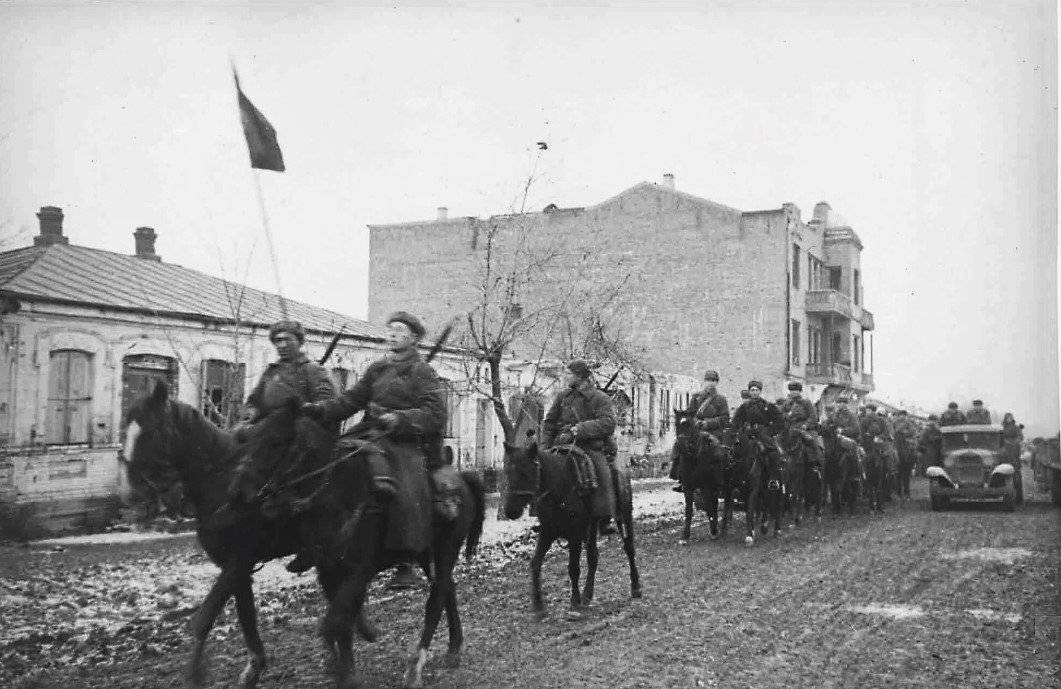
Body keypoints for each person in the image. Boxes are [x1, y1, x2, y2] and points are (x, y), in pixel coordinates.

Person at [302, 311, 449, 590]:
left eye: (400, 330)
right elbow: (351, 401)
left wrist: (401, 419)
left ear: (414, 338)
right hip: (371, 431)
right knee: (330, 465)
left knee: (403, 483)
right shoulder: (377, 369)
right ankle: (316, 541)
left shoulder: (423, 371)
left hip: (405, 439)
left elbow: (435, 412)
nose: (393, 334)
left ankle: (406, 558)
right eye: (390, 329)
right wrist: (320, 410)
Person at [224, 320, 340, 572]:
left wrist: (307, 410)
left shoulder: (314, 371)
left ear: (300, 342)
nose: (282, 345)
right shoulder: (271, 372)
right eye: (278, 340)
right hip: (270, 433)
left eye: (288, 339)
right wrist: (251, 413)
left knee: (291, 469)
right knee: (237, 446)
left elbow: (327, 405)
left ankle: (308, 541)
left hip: (301, 437)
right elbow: (254, 401)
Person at [541, 359, 620, 535]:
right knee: (542, 472)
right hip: (561, 445)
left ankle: (605, 517)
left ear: (580, 376)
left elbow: (608, 423)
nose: (565, 376)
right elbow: (549, 423)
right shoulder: (563, 397)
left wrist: (580, 429)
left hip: (589, 447)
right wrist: (544, 448)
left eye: (568, 373)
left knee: (601, 470)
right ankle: (544, 517)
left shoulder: (600, 398)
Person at [670, 370, 729, 492]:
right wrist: (696, 422)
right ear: (704, 381)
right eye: (708, 380)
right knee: (679, 445)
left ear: (717, 383)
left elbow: (724, 418)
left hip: (714, 432)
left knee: (718, 451)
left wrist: (708, 423)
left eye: (713, 381)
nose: (710, 383)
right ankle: (680, 477)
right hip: (696, 431)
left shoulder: (721, 399)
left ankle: (719, 479)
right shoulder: (696, 397)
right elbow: (690, 414)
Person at [730, 380, 783, 467]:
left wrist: (770, 431)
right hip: (748, 433)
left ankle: (774, 476)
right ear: (749, 392)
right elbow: (736, 421)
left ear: (760, 391)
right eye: (752, 390)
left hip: (763, 433)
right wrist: (739, 431)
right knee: (736, 452)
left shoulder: (767, 405)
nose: (754, 392)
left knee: (773, 452)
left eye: (756, 390)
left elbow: (779, 421)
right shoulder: (744, 406)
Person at [891, 410, 920, 499]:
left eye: (904, 415)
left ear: (906, 416)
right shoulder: (894, 422)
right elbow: (892, 433)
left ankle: (907, 492)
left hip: (907, 447)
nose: (902, 417)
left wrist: (904, 434)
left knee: (906, 473)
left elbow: (914, 433)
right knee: (897, 473)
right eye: (900, 415)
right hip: (897, 446)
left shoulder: (909, 423)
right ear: (898, 416)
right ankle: (899, 492)